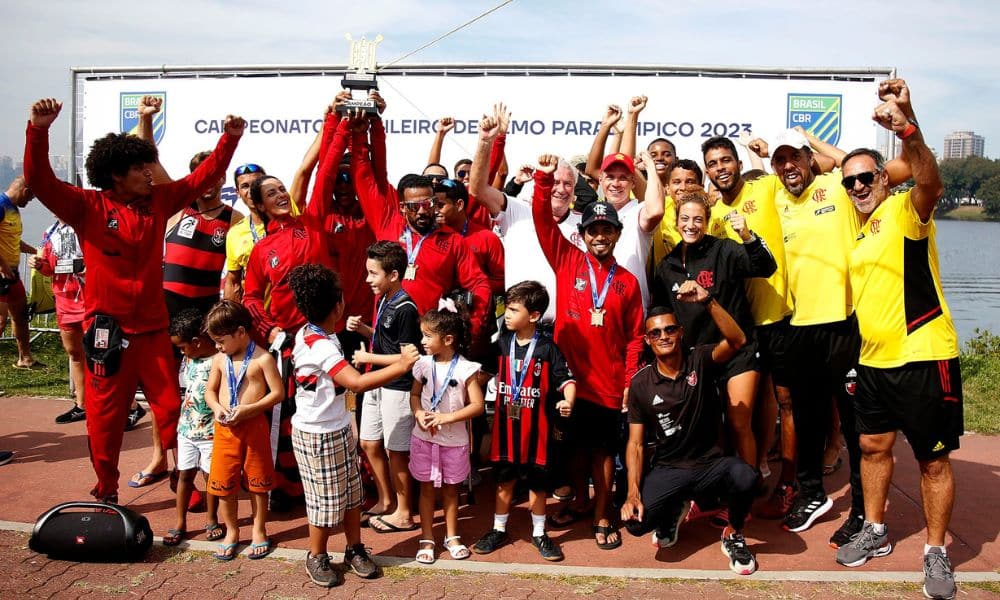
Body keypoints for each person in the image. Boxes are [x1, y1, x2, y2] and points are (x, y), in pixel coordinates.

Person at [23, 97, 244, 503]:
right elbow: (39, 181)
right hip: (108, 334)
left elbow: (200, 180)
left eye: (149, 165)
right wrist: (38, 130)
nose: (149, 174)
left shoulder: (158, 202)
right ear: (116, 175)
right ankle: (106, 489)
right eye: (141, 169)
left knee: (172, 412)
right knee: (105, 420)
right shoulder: (86, 205)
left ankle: (185, 484)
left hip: (155, 332)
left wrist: (229, 140)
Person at [834, 79, 961, 600]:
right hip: (873, 362)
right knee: (871, 447)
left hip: (924, 356)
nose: (858, 187)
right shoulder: (859, 225)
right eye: (850, 182)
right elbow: (829, 163)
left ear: (885, 179)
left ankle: (936, 552)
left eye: (866, 177)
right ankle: (876, 529)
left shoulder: (908, 212)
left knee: (932, 460)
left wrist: (907, 124)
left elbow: (930, 178)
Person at [242, 96, 351, 511]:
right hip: (289, 345)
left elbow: (316, 170)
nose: (281, 195)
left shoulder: (313, 220)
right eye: (270, 193)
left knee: (336, 411)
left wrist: (335, 118)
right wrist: (270, 328)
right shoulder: (261, 250)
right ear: (259, 205)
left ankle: (338, 483)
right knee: (289, 418)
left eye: (281, 188)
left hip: (330, 338)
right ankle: (288, 490)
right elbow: (251, 296)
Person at [532, 154, 645, 551]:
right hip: (567, 380)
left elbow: (634, 337)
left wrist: (630, 380)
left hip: (608, 381)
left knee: (602, 453)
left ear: (616, 235)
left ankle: (601, 514)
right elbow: (544, 223)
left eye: (607, 230)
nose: (600, 236)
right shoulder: (566, 259)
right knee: (572, 449)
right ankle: (581, 500)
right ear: (582, 234)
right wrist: (544, 181)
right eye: (593, 229)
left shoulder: (627, 282)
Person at [288, 263, 420, 587]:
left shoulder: (320, 333)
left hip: (338, 428)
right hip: (317, 434)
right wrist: (402, 365)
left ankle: (354, 548)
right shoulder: (318, 345)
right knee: (323, 502)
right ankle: (316, 555)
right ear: (338, 306)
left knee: (351, 495)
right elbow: (356, 383)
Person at [620, 296, 758, 575]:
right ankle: (673, 511)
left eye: (670, 329)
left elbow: (736, 340)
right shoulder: (640, 384)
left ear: (680, 332)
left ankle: (733, 533)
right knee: (635, 524)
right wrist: (632, 493)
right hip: (670, 468)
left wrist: (708, 301)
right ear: (647, 340)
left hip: (711, 465)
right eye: (655, 333)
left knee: (747, 477)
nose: (664, 336)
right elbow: (635, 444)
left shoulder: (701, 359)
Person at [701, 134, 797, 523]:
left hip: (778, 315)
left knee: (785, 403)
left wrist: (770, 150)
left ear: (738, 163)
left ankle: (789, 484)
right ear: (707, 171)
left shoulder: (767, 186)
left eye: (726, 160)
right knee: (745, 408)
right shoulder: (712, 214)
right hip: (740, 324)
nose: (721, 167)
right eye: (714, 163)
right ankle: (748, 477)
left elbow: (801, 171)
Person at [650, 190, 776, 477]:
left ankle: (747, 487)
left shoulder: (724, 250)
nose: (691, 225)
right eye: (685, 219)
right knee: (709, 428)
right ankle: (716, 488)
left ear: (707, 222)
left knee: (738, 421)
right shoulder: (666, 266)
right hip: (700, 357)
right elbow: (658, 312)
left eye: (698, 219)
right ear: (676, 221)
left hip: (738, 349)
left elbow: (766, 267)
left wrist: (747, 236)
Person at [350, 109, 491, 338]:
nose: (424, 210)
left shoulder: (453, 240)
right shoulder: (388, 223)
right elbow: (365, 176)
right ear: (403, 206)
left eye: (429, 203)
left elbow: (479, 284)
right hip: (387, 338)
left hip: (430, 342)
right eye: (416, 206)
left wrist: (470, 329)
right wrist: (365, 130)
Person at [471, 280, 576, 561]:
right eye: (507, 307)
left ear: (533, 316)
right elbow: (483, 374)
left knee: (538, 487)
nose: (507, 313)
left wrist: (568, 399)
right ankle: (498, 529)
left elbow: (566, 380)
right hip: (505, 432)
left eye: (514, 309)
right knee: (504, 482)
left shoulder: (547, 348)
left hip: (537, 435)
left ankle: (540, 534)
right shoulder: (502, 343)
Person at [469, 110, 587, 325]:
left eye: (568, 184)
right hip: (519, 330)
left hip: (568, 330)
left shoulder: (584, 226)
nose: (561, 189)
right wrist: (486, 142)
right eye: (555, 182)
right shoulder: (517, 211)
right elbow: (477, 190)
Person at [348, 241, 422, 534]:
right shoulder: (385, 300)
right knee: (368, 443)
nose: (368, 280)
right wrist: (365, 330)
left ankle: (404, 513)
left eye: (373, 274)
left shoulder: (405, 306)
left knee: (396, 450)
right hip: (378, 382)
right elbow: (386, 339)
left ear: (392, 275)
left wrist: (368, 357)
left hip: (398, 386)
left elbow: (409, 354)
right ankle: (385, 500)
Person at [204, 300, 284, 560]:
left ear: (240, 332)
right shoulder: (219, 359)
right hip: (225, 429)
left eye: (220, 340)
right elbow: (210, 392)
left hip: (254, 428)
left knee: (258, 485)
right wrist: (216, 407)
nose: (217, 346)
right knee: (224, 485)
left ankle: (259, 530)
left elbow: (278, 393)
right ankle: (232, 531)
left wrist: (250, 410)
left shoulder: (262, 358)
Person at [409, 304, 485, 564]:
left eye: (427, 336)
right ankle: (427, 536)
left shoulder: (466, 369)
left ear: (448, 339)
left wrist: (447, 417)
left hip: (454, 441)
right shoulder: (422, 364)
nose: (422, 341)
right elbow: (415, 395)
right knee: (426, 489)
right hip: (424, 439)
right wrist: (419, 414)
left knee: (452, 491)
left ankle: (451, 536)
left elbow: (477, 405)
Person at [164, 308, 222, 546]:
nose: (181, 352)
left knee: (211, 477)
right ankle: (180, 521)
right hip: (187, 430)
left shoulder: (218, 359)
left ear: (196, 342)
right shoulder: (189, 360)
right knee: (184, 475)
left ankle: (211, 519)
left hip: (210, 431)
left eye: (182, 347)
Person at [30, 219, 86, 423]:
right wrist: (39, 264)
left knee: (101, 355)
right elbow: (49, 268)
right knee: (75, 353)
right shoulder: (50, 232)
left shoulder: (86, 225)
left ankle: (130, 406)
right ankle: (82, 405)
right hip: (64, 299)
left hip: (90, 298)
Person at [1, 175, 43, 370]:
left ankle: (24, 358)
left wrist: (37, 251)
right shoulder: (1, 205)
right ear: (25, 191)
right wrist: (2, 266)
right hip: (1, 273)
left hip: (13, 274)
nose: (30, 201)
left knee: (20, 315)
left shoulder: (14, 210)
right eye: (31, 197)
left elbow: (14, 241)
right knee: (1, 321)